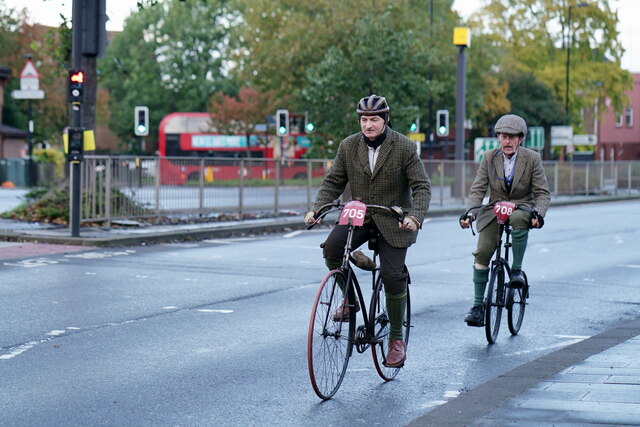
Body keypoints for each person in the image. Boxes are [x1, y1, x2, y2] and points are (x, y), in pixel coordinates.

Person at [304, 94, 431, 367]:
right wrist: (317, 209)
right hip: (360, 215)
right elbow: (333, 181)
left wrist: (415, 217)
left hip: (393, 219)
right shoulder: (348, 146)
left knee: (392, 274)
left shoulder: (405, 147)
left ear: (386, 120)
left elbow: (422, 187)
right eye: (364, 119)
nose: (368, 125)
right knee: (332, 250)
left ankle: (396, 339)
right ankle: (349, 301)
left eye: (374, 119)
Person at [460, 114, 550, 326]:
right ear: (498, 137)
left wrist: (539, 214)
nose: (507, 141)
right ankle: (477, 307)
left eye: (512, 137)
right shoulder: (489, 157)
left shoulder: (532, 158)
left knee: (519, 217)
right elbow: (478, 189)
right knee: (482, 253)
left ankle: (516, 270)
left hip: (521, 206)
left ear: (520, 139)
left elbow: (542, 193)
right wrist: (469, 213)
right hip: (495, 209)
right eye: (503, 136)